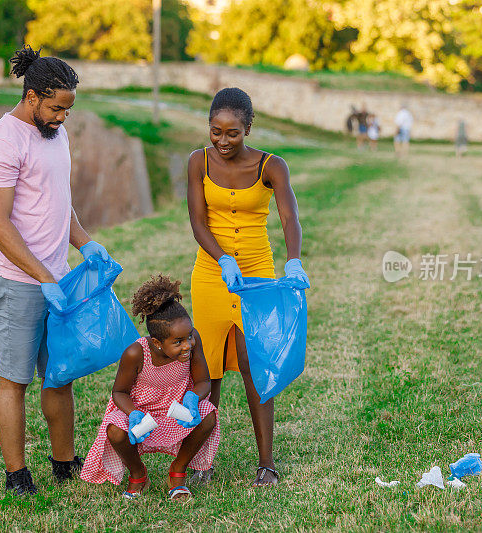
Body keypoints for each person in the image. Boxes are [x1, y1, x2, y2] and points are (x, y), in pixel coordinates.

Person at [0, 45, 111, 496]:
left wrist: (86, 243)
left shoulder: (55, 133)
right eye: (56, 108)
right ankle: (17, 475)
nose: (62, 118)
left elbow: (56, 202)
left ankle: (63, 463)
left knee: (60, 374)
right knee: (15, 378)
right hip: (16, 279)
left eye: (68, 110)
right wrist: (43, 276)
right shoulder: (2, 141)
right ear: (32, 97)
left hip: (57, 276)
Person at [187, 87, 310, 487]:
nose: (222, 141)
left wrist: (293, 260)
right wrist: (222, 258)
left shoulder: (272, 166)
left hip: (257, 275)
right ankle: (202, 461)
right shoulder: (197, 161)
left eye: (233, 133)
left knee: (255, 365)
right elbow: (198, 222)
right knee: (208, 367)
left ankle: (266, 464)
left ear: (248, 128)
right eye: (215, 131)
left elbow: (289, 217)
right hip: (211, 274)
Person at [80, 275, 220, 500]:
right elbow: (119, 392)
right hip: (142, 414)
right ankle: (138, 473)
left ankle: (178, 471)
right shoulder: (136, 353)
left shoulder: (193, 340)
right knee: (115, 431)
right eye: (178, 342)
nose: (188, 345)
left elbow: (204, 381)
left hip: (176, 411)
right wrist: (134, 414)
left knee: (208, 416)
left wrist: (193, 399)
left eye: (188, 337)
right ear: (157, 343)